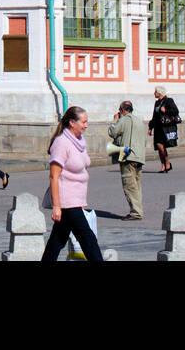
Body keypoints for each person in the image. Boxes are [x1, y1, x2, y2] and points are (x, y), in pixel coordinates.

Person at [41, 105, 103, 262]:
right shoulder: (61, 143)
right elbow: (54, 176)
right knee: (87, 238)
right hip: (66, 200)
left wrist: (81, 201)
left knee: (58, 240)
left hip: (76, 199)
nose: (86, 125)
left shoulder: (80, 142)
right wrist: (56, 206)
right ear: (71, 123)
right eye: (83, 122)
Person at [108, 100, 145, 220]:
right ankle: (138, 209)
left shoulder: (124, 120)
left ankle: (136, 212)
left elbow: (113, 132)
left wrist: (115, 120)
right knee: (136, 185)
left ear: (122, 110)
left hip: (128, 156)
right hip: (139, 157)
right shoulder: (139, 120)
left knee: (129, 185)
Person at [148, 87, 180, 173]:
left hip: (165, 127)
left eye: (155, 92)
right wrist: (150, 127)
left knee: (162, 147)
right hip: (158, 127)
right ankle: (163, 165)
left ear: (160, 93)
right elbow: (154, 116)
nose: (154, 93)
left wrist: (166, 110)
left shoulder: (168, 100)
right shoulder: (157, 102)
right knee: (159, 147)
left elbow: (175, 111)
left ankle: (167, 163)